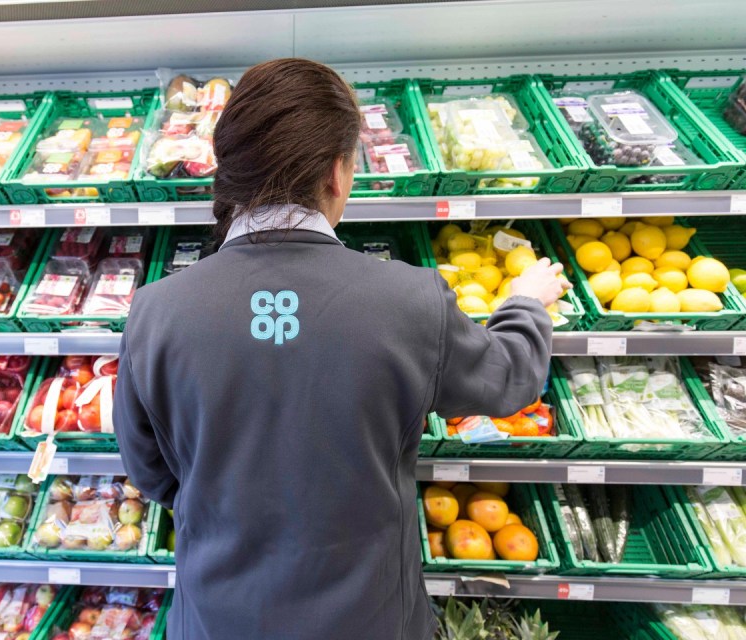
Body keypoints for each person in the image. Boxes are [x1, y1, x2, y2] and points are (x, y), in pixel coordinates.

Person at [114, 58, 570, 639]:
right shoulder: (409, 300)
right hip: (371, 618)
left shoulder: (155, 310)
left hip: (220, 619)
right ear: (337, 172)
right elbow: (510, 379)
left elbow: (151, 473)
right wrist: (525, 302)